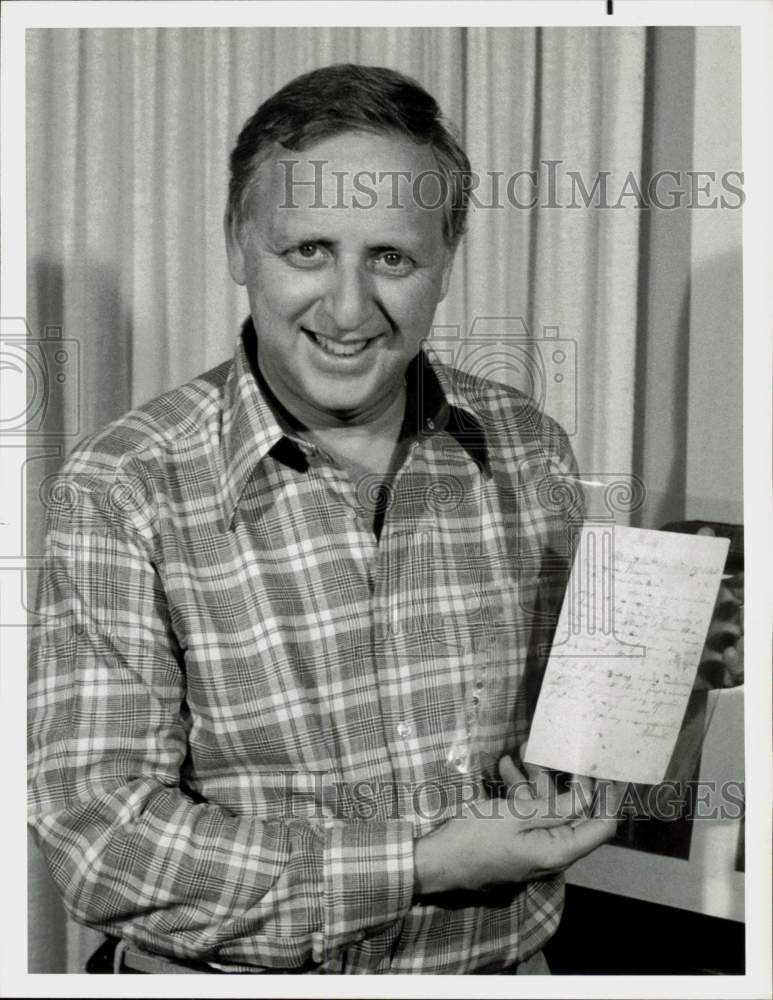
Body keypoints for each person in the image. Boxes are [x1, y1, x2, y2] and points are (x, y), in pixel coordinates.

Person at [30, 63, 662, 975]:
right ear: (237, 248)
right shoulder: (122, 485)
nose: (348, 308)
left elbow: (572, 741)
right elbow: (101, 844)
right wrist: (419, 864)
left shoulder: (530, 449)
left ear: (445, 264)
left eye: (392, 258)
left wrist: (605, 754)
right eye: (308, 250)